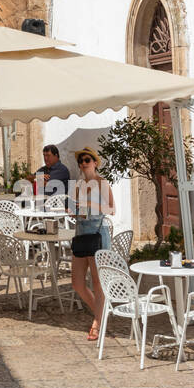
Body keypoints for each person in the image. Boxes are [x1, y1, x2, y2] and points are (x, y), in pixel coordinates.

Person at [70, 147, 114, 342]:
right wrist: (73, 210)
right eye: (81, 161)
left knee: (97, 282)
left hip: (98, 234)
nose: (83, 163)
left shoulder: (102, 182)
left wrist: (90, 205)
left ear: (95, 162)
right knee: (77, 283)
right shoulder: (77, 184)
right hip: (81, 232)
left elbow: (112, 209)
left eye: (87, 159)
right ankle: (101, 312)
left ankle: (97, 322)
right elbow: (73, 209)